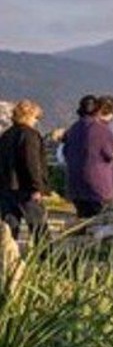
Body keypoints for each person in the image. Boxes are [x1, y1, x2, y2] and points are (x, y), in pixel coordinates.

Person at [62, 94, 113, 217]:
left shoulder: (72, 129)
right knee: (105, 225)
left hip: (75, 186)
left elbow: (64, 153)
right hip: (98, 187)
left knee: (84, 223)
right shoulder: (100, 129)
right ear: (98, 110)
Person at [0, 100, 49, 242]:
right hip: (26, 189)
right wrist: (37, 187)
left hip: (7, 188)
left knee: (9, 229)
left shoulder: (6, 135)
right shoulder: (29, 135)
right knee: (39, 228)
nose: (36, 121)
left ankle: (7, 258)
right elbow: (31, 163)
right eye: (36, 118)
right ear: (29, 116)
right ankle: (45, 258)